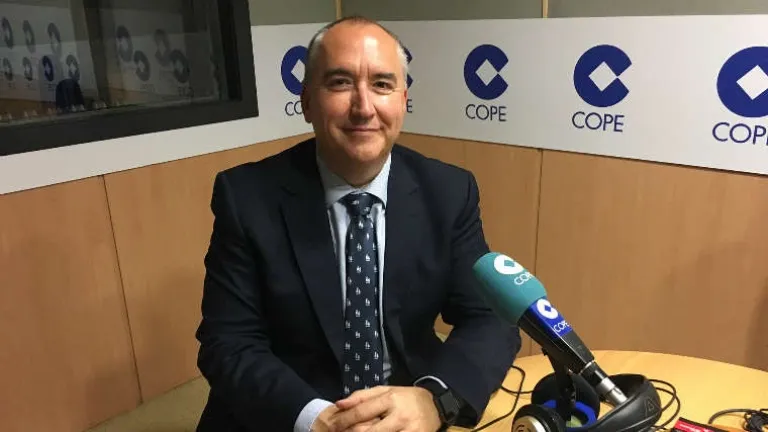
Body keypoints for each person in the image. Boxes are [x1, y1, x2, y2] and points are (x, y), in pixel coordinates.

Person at [195, 15, 521, 432]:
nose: (364, 107)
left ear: (403, 100)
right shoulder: (246, 196)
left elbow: (490, 317)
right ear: (306, 101)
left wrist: (434, 400)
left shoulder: (448, 191)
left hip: (402, 411)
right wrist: (316, 420)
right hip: (285, 413)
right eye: (340, 83)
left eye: (382, 84)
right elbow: (228, 342)